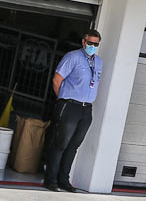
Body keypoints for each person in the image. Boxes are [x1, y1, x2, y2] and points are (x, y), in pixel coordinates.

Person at [44, 30, 103, 192]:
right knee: (61, 143)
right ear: (83, 42)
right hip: (70, 105)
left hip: (86, 108)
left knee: (73, 146)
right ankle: (51, 180)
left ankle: (64, 180)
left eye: (95, 44)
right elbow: (57, 79)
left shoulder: (98, 61)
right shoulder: (73, 57)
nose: (92, 47)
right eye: (90, 43)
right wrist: (62, 98)